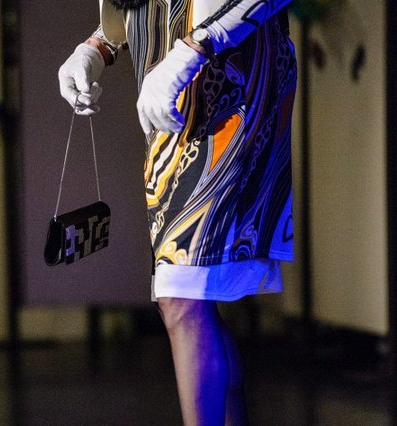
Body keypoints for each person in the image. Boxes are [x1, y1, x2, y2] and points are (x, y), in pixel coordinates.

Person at [58, 0, 297, 424]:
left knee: (181, 293)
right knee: (186, 295)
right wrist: (98, 45)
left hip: (233, 84)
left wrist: (198, 45)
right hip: (170, 101)